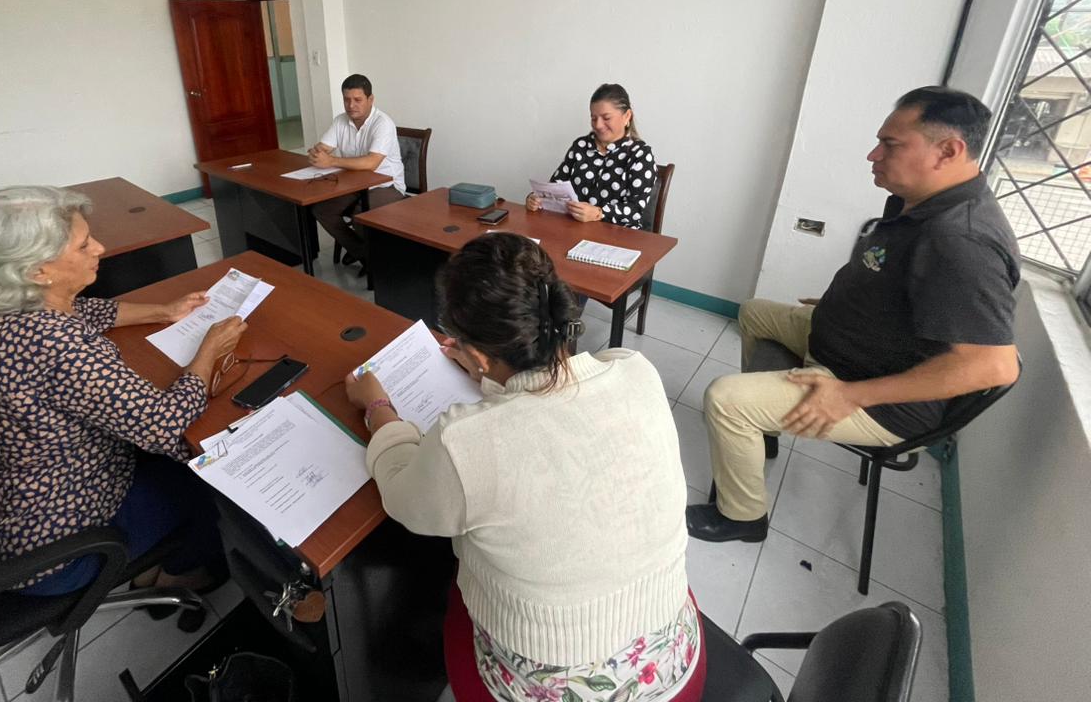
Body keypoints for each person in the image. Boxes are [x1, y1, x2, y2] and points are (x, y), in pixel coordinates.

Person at [345, 233, 705, 702]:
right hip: (672, 665)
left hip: (553, 686)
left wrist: (377, 408)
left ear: (478, 354)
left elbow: (402, 498)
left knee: (441, 586)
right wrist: (486, 370)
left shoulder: (466, 440)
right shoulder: (636, 369)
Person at [686, 87, 1021, 543]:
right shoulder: (915, 201)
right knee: (755, 312)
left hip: (875, 394)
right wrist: (842, 304)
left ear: (948, 151)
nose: (873, 155)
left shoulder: (961, 240)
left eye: (890, 145)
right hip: (846, 343)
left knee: (725, 398)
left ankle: (742, 518)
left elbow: (992, 366)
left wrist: (850, 395)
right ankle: (762, 432)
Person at [0, 186, 246, 611]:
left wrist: (165, 311)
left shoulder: (0, 308)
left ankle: (154, 562)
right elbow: (164, 423)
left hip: (14, 510)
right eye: (84, 244)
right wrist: (209, 351)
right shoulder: (57, 345)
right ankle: (180, 574)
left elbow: (85, 311)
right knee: (206, 471)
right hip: (59, 547)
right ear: (38, 271)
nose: (100, 248)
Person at [526, 83, 657, 228]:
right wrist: (537, 199)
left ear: (627, 116)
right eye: (594, 118)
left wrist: (599, 213)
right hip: (572, 229)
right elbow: (556, 186)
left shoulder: (640, 155)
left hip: (617, 235)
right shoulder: (581, 146)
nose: (598, 125)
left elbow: (635, 210)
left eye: (606, 118)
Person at [308, 73, 406, 266]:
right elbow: (323, 147)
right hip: (353, 184)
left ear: (370, 99)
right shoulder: (340, 121)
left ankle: (377, 260)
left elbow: (372, 163)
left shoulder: (383, 123)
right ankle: (364, 253)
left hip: (386, 185)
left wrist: (331, 160)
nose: (351, 105)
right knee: (321, 210)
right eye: (346, 100)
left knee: (361, 217)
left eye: (357, 100)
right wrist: (317, 153)